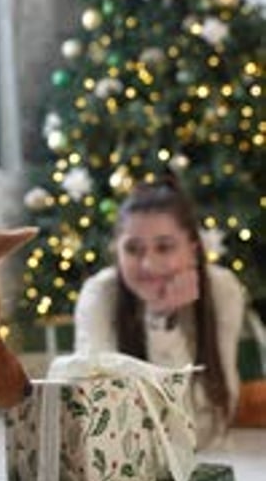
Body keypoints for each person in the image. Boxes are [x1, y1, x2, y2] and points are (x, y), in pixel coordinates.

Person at [74, 176, 245, 448]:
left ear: (192, 248)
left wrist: (164, 324)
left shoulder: (223, 290)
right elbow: (99, 416)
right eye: (132, 249)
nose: (148, 265)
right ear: (116, 250)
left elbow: (208, 429)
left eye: (164, 247)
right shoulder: (98, 296)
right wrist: (159, 318)